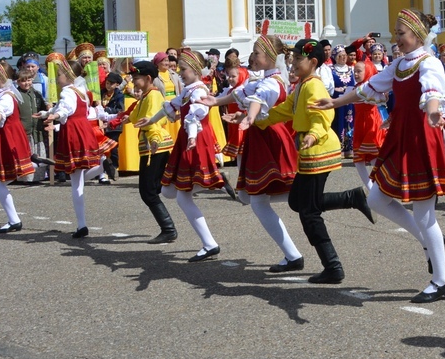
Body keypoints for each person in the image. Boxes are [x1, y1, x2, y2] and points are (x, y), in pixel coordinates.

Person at [313, 9, 445, 304]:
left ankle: (442, 280)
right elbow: (370, 87)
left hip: (420, 138)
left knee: (424, 213)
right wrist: (335, 101)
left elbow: (432, 93)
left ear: (417, 35)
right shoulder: (402, 64)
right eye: (395, 33)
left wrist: (432, 113)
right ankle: (430, 245)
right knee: (377, 199)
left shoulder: (428, 63)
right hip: (401, 136)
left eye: (400, 33)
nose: (396, 38)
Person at [262, 38, 375, 284]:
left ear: (312, 62)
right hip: (310, 151)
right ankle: (351, 197)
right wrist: (253, 119)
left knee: (309, 212)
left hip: (319, 149)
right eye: (292, 58)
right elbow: (284, 110)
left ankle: (333, 267)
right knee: (297, 201)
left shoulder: (313, 86)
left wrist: (313, 134)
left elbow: (324, 114)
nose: (292, 63)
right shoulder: (303, 84)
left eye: (298, 59)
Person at [202, 34, 304, 271]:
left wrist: (248, 116)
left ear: (269, 57)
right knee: (251, 197)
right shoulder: (263, 78)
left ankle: (293, 255)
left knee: (257, 199)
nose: (253, 57)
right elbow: (240, 93)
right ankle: (293, 252)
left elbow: (258, 99)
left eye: (257, 53)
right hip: (261, 137)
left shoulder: (274, 82)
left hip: (270, 138)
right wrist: (215, 102)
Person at [155, 49, 226, 261]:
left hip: (194, 141)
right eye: (180, 68)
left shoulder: (198, 91)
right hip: (187, 140)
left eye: (183, 69)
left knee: (180, 194)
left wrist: (193, 136)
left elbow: (198, 114)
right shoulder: (188, 90)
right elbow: (172, 105)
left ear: (195, 69)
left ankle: (209, 243)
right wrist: (149, 121)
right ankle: (211, 180)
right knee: (169, 192)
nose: (180, 72)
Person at [42, 59, 110, 237]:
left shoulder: (67, 91)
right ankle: (102, 166)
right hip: (83, 130)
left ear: (69, 75)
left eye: (59, 75)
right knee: (78, 176)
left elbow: (66, 109)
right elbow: (73, 109)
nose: (57, 79)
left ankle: (81, 225)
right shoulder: (81, 91)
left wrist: (55, 115)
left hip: (72, 133)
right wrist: (47, 113)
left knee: (75, 182)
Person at [118, 60, 180, 244]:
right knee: (158, 187)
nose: (133, 82)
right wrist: (121, 119)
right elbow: (137, 116)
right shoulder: (146, 95)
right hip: (152, 147)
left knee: (148, 192)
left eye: (136, 78)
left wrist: (153, 140)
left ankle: (168, 230)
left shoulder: (152, 96)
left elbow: (152, 121)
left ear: (147, 78)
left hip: (155, 147)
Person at [0, 63, 35, 233]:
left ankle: (14, 220)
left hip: (7, 136)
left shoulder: (7, 96)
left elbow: (2, 112)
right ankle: (13, 220)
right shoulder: (0, 94)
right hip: (3, 136)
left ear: (2, 77)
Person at [348, 60, 386, 189]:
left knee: (373, 156)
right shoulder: (356, 87)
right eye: (354, 72)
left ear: (368, 71)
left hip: (371, 122)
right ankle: (371, 188)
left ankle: (379, 187)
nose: (356, 74)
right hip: (360, 123)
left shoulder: (371, 87)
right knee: (359, 159)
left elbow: (383, 98)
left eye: (359, 71)